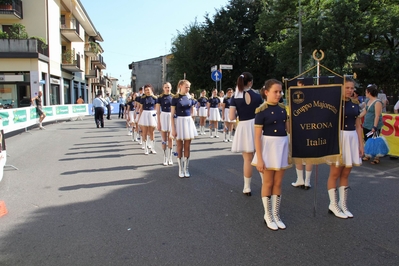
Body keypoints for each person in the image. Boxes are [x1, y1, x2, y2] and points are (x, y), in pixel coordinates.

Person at [251, 79, 290, 230]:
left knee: (278, 183)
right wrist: (260, 158)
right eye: (275, 91)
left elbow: (288, 129)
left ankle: (276, 213)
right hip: (268, 147)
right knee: (268, 182)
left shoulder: (282, 109)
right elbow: (256, 137)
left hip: (281, 147)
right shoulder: (261, 111)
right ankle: (268, 214)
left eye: (280, 92)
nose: (279, 94)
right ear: (266, 92)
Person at [327, 78, 364, 219]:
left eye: (352, 88)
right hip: (338, 138)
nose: (350, 90)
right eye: (347, 87)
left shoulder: (355, 104)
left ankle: (343, 204)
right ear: (341, 88)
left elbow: (358, 125)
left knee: (346, 173)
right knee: (335, 173)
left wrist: (361, 144)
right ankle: (333, 204)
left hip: (352, 138)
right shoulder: (334, 104)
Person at [230, 72, 263, 196]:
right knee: (260, 156)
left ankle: (247, 187)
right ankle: (265, 183)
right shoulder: (257, 95)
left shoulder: (235, 96)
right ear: (250, 82)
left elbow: (232, 116)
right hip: (257, 125)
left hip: (244, 126)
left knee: (247, 159)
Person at [171, 80, 197, 178]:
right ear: (180, 86)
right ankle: (180, 169)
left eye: (189, 87)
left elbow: (192, 112)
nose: (188, 89)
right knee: (179, 147)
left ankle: (186, 168)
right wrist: (173, 128)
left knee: (187, 146)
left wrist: (192, 123)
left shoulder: (190, 98)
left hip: (188, 122)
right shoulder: (175, 98)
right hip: (179, 122)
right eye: (186, 87)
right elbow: (171, 115)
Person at [292, 79, 313, 190]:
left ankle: (302, 179)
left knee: (300, 155)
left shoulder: (296, 97)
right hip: (309, 128)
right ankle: (305, 181)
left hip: (300, 127)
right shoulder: (314, 97)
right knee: (307, 155)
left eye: (299, 85)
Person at [359, 84, 383, 164]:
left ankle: (377, 157)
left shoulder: (377, 102)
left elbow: (377, 115)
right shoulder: (367, 101)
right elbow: (364, 111)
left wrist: (375, 126)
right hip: (366, 123)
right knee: (367, 140)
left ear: (369, 92)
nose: (365, 93)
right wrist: (357, 117)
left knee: (375, 140)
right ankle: (368, 155)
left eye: (366, 92)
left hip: (374, 125)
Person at [156, 82, 174, 166]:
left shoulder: (174, 97)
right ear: (163, 88)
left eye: (169, 87)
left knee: (171, 138)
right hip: (163, 116)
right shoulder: (160, 97)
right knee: (164, 139)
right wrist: (158, 123)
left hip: (171, 117)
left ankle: (170, 157)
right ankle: (165, 157)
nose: (167, 88)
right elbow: (158, 111)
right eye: (166, 87)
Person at [137, 84, 157, 155]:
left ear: (151, 90)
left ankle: (152, 148)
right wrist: (139, 118)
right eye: (145, 90)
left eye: (148, 90)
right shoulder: (142, 98)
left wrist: (155, 115)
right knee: (144, 132)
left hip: (152, 114)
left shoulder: (155, 98)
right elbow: (141, 108)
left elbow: (156, 107)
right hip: (145, 114)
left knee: (152, 132)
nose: (147, 91)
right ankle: (145, 148)